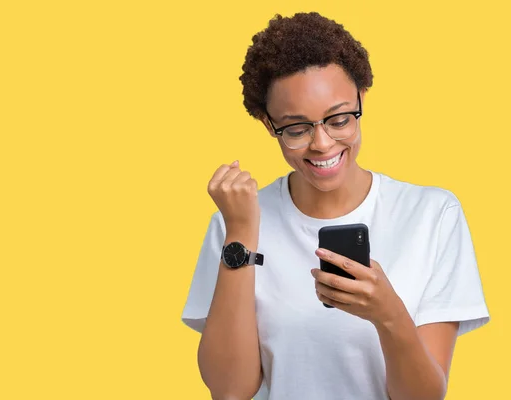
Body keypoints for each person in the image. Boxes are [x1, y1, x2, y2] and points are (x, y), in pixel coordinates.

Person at [181, 11, 489, 400]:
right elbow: (230, 391)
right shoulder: (234, 224)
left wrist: (387, 314)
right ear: (267, 123)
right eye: (296, 128)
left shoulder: (432, 216)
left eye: (339, 119)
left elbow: (425, 397)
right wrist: (241, 235)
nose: (322, 144)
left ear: (362, 97)